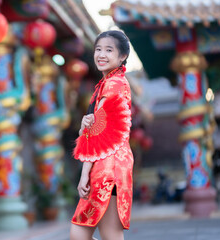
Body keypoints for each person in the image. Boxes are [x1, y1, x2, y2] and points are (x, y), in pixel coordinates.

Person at [70, 30, 133, 240]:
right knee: (87, 233)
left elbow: (100, 132)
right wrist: (85, 124)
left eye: (108, 50)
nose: (101, 54)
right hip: (108, 164)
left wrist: (84, 173)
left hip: (109, 167)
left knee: (95, 234)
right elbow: (93, 128)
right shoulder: (108, 83)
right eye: (98, 49)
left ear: (122, 56)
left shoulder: (113, 84)